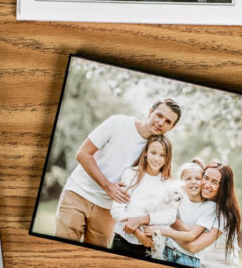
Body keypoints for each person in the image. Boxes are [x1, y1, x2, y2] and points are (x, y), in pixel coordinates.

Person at [54, 99, 182, 247]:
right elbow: (83, 154)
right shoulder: (118, 123)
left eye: (167, 121)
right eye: (159, 115)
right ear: (150, 112)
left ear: (172, 127)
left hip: (109, 209)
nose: (161, 122)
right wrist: (107, 186)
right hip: (78, 194)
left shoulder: (155, 150)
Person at [109, 136, 179, 256]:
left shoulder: (169, 184)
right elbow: (117, 210)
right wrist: (137, 233)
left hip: (151, 246)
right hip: (123, 241)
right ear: (146, 152)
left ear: (168, 158)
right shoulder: (130, 174)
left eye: (162, 155)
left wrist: (143, 219)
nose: (157, 158)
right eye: (153, 153)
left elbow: (170, 216)